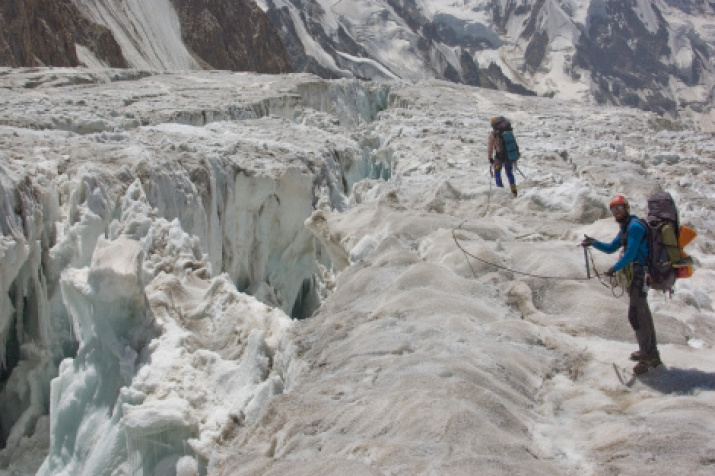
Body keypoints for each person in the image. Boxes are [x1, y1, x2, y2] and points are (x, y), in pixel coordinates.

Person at [580, 195, 662, 375]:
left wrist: (614, 268)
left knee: (636, 314)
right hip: (636, 275)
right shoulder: (626, 227)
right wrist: (593, 242)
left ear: (627, 207)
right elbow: (611, 247)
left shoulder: (634, 227)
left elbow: (631, 253)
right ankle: (649, 352)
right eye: (614, 209)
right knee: (642, 313)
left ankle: (648, 357)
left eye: (619, 208)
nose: (617, 212)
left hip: (639, 275)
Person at [487, 116, 518, 197]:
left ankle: (500, 191)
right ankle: (514, 191)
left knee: (497, 173)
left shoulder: (494, 134)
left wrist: (490, 157)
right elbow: (513, 144)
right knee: (509, 173)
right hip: (509, 156)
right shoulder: (508, 131)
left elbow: (490, 146)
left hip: (499, 156)